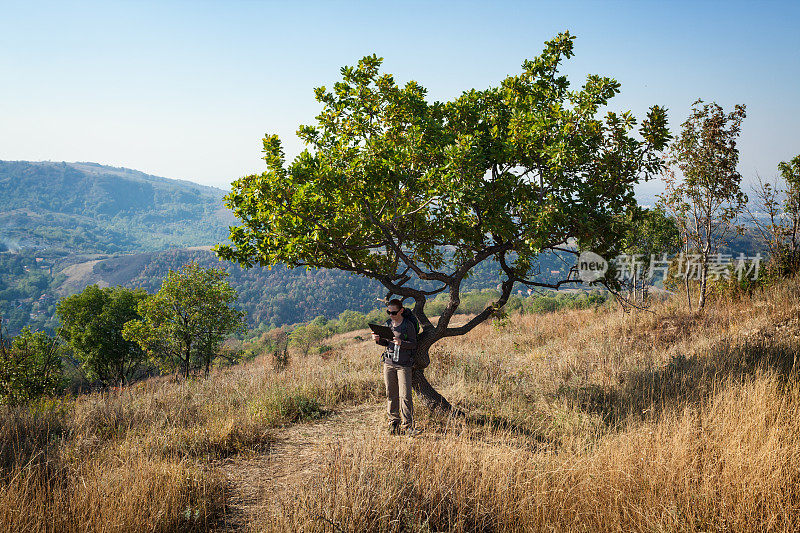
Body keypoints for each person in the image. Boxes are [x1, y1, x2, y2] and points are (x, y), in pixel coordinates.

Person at [371, 298, 417, 435]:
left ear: (401, 310)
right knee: (391, 394)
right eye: (388, 312)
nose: (391, 315)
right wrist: (378, 341)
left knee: (406, 396)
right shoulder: (388, 324)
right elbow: (387, 343)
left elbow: (414, 344)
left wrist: (401, 342)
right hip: (389, 363)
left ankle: (408, 426)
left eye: (394, 312)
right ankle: (393, 424)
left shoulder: (408, 325)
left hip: (403, 365)